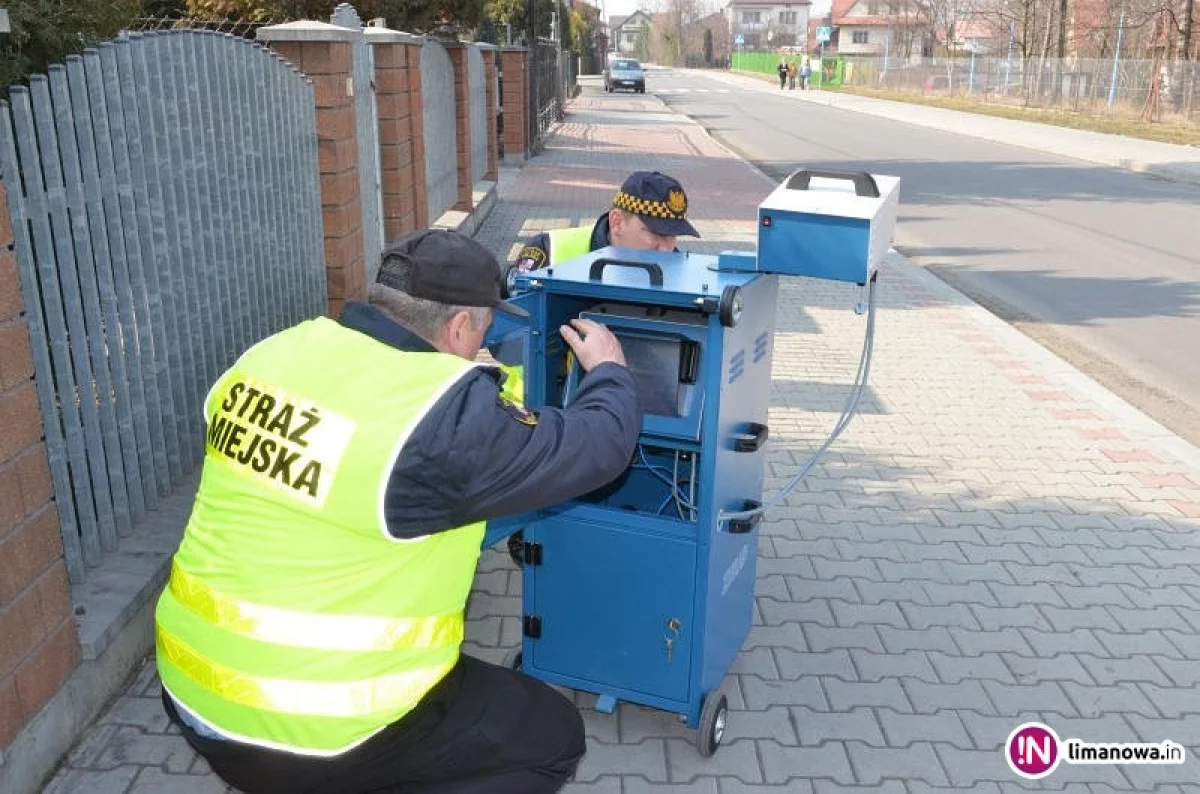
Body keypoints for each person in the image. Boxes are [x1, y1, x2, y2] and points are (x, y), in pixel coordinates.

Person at [154, 228, 643, 794]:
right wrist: (609, 371)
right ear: (460, 326)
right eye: (480, 332)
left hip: (191, 688)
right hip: (313, 732)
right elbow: (600, 446)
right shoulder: (436, 422)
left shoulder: (274, 355)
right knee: (550, 735)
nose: (478, 347)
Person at [499, 170, 700, 404]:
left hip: (629, 407)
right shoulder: (551, 251)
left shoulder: (678, 271)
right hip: (535, 407)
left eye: (673, 237)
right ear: (617, 222)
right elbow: (505, 344)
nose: (665, 248)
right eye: (655, 234)